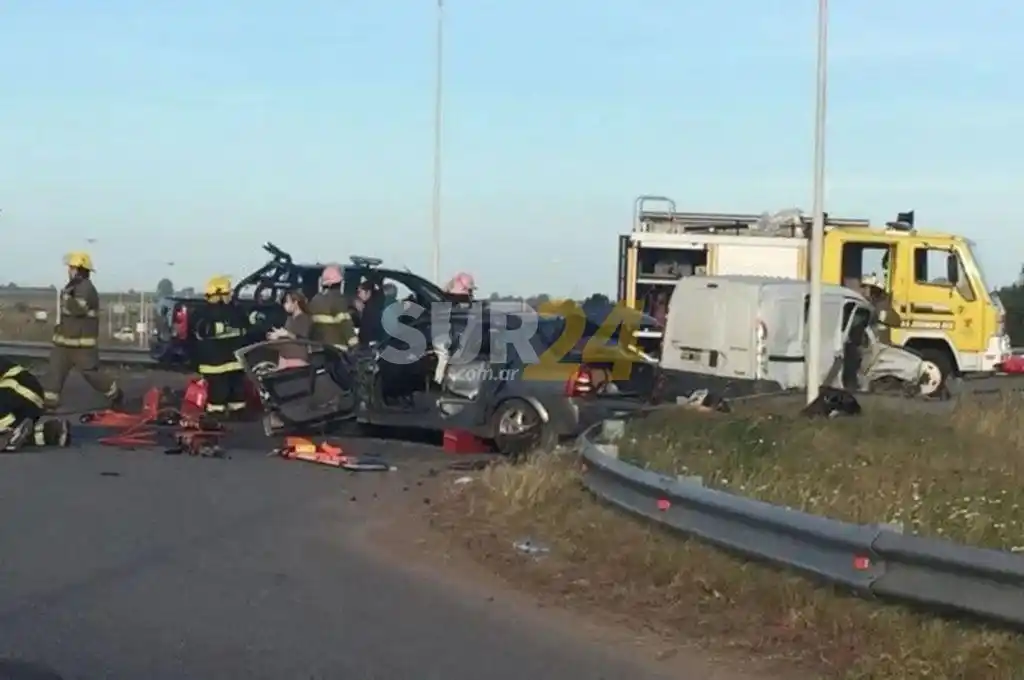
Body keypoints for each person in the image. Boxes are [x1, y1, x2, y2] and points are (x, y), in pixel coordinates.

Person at [43, 252, 123, 411]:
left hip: (82, 346)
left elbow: (79, 309)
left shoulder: (86, 288)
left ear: (80, 270)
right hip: (63, 343)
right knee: (55, 372)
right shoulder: (71, 287)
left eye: (72, 267)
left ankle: (115, 394)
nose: (69, 270)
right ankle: (49, 404)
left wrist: (66, 298)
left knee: (91, 374)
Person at [194, 276, 249, 418]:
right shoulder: (205, 313)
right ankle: (217, 411)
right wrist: (222, 328)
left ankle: (236, 410)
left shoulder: (234, 310)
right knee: (219, 389)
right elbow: (201, 330)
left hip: (232, 361)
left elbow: (245, 327)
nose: (230, 295)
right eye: (227, 293)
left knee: (236, 389)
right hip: (215, 362)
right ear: (219, 294)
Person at [0, 357, 70, 451]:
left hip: (23, 392)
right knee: (24, 434)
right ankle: (53, 431)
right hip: (21, 403)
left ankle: (10, 429)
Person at [308, 264, 358, 352]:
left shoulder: (315, 299)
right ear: (339, 284)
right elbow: (345, 325)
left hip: (316, 348)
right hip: (336, 351)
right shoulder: (338, 300)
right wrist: (356, 346)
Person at [268, 289, 313, 368]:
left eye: (287, 302)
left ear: (295, 302)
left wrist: (287, 334)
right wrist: (277, 336)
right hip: (284, 358)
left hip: (296, 359)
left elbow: (302, 339)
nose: (285, 305)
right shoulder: (290, 318)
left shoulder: (304, 319)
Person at [354, 280, 385, 347]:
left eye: (360, 292)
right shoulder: (376, 303)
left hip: (369, 345)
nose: (358, 294)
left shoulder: (370, 308)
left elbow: (366, 329)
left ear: (368, 292)